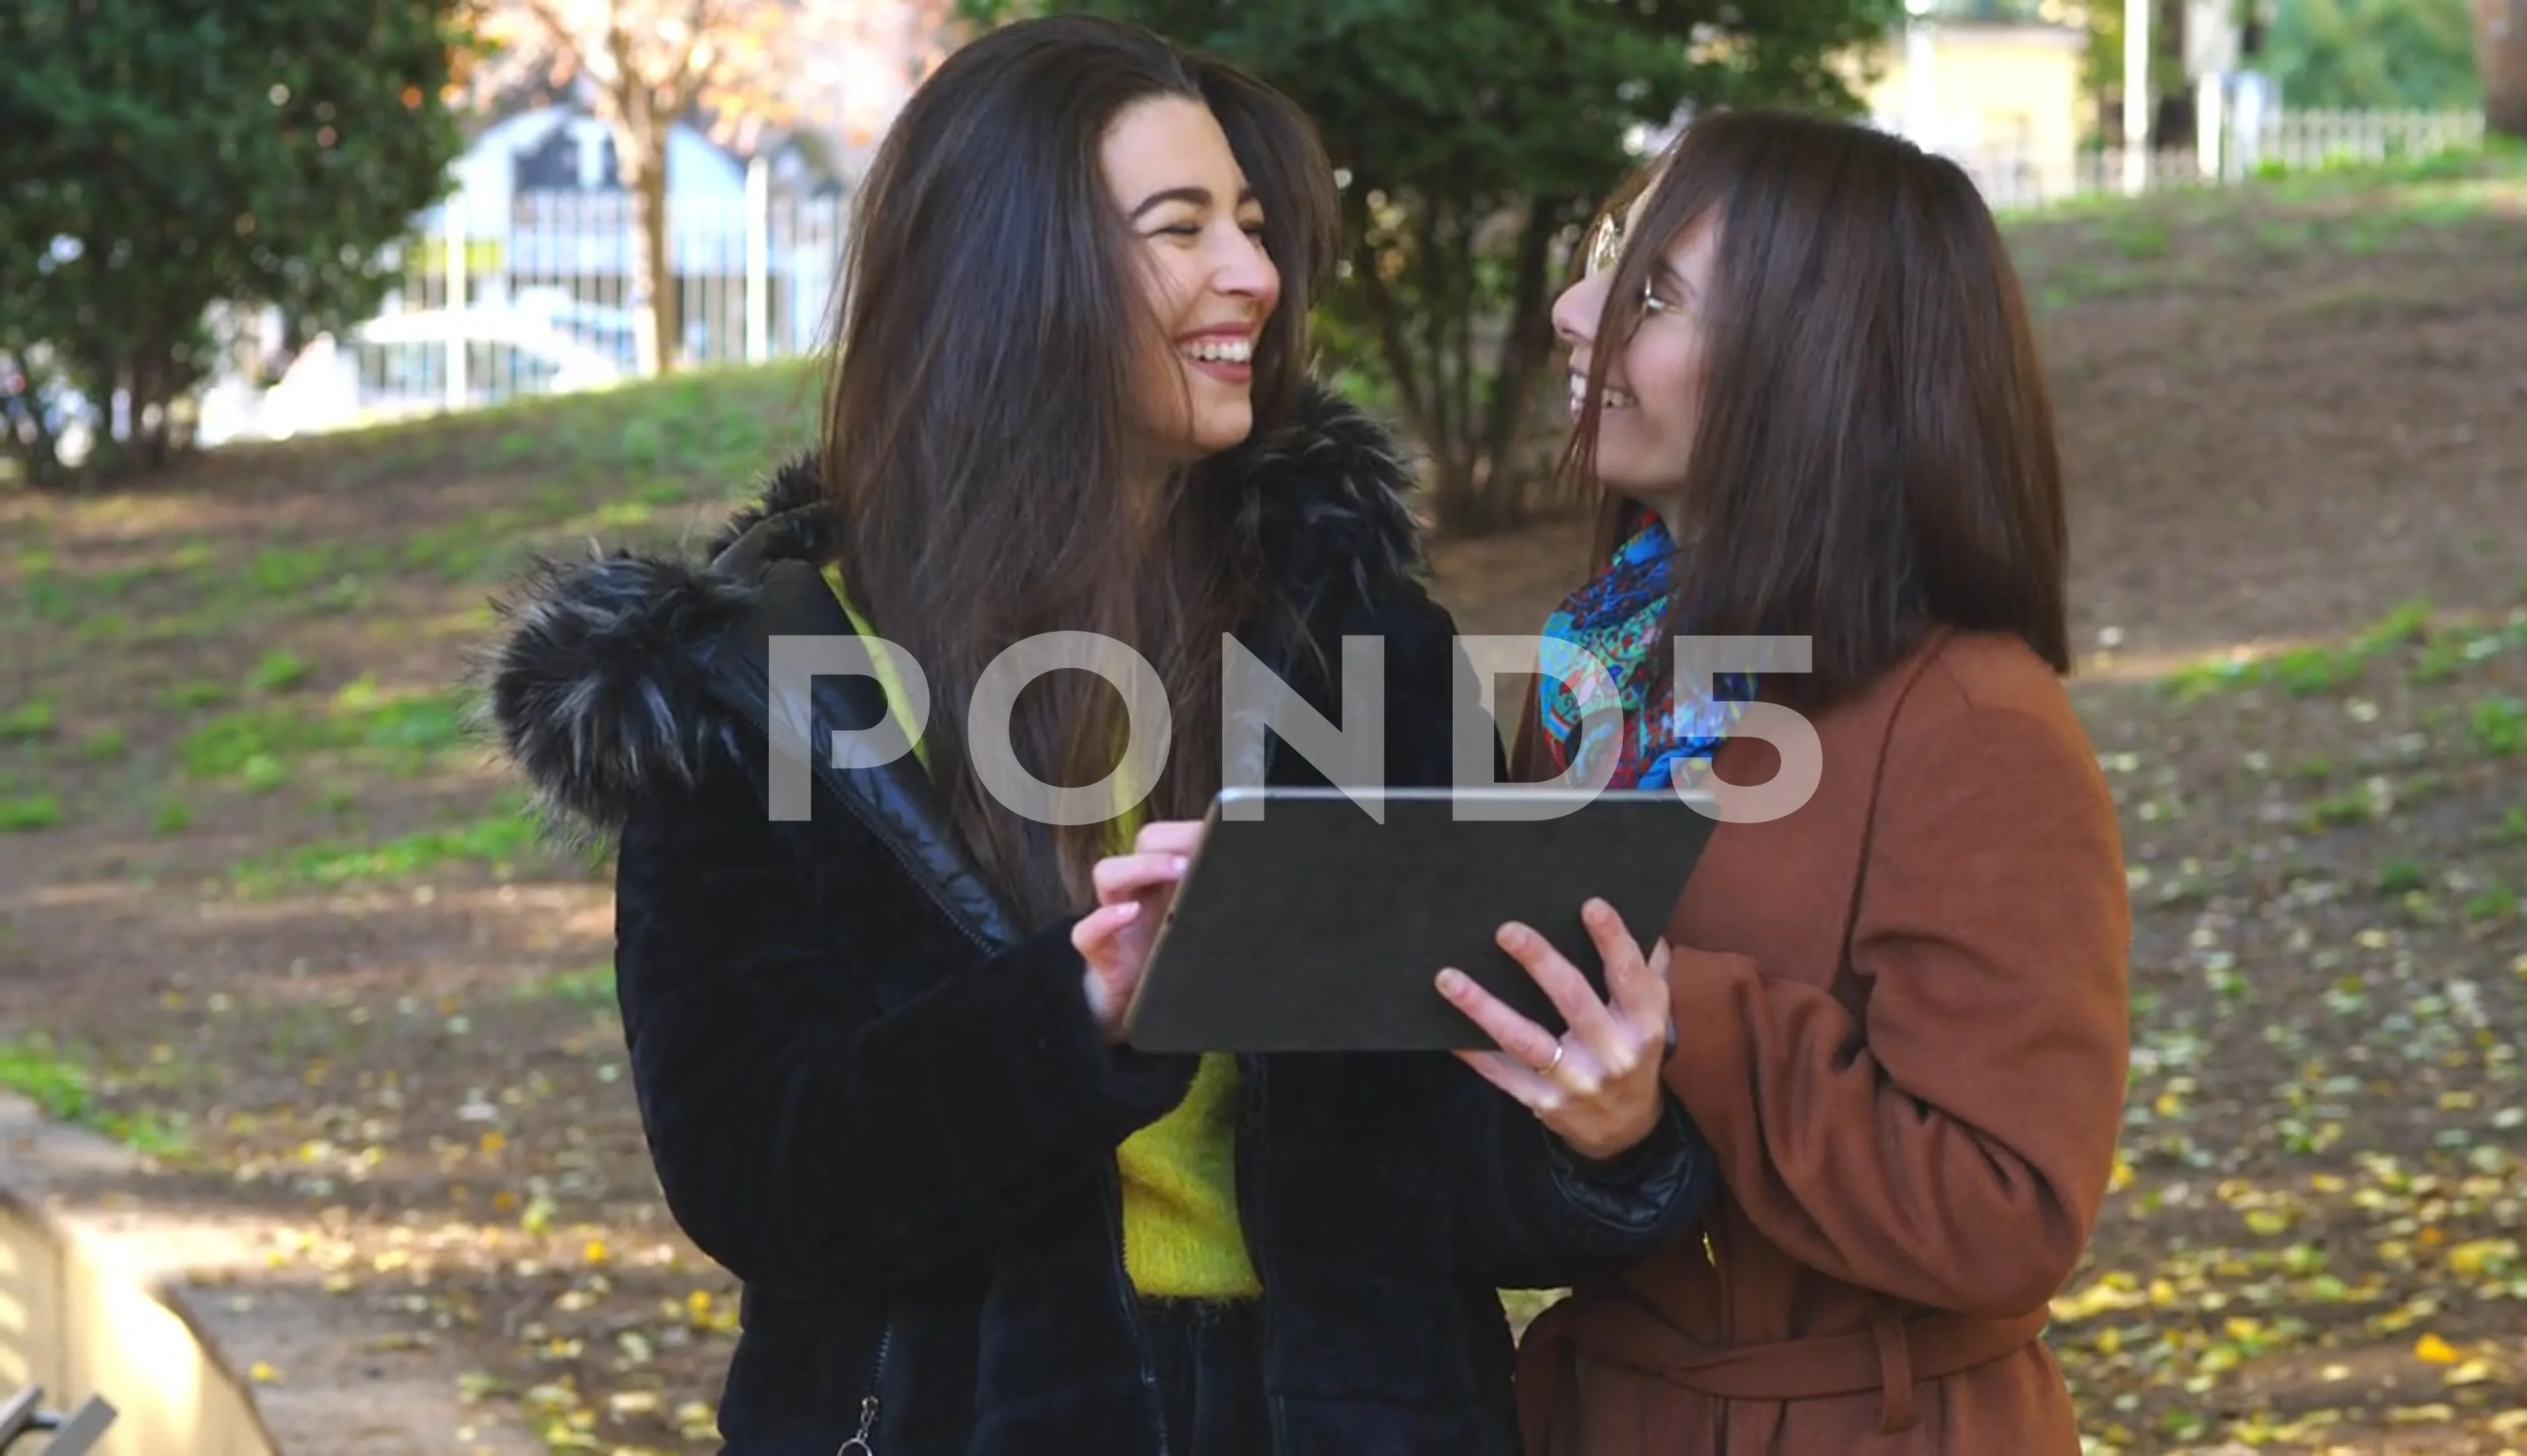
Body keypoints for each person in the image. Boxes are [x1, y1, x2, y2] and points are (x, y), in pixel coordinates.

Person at [479, 16, 1712, 1455]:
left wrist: (1601, 1131)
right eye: (1179, 227)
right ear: (1013, 276)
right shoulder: (762, 686)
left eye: (1250, 225)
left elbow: (1434, 1180)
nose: (1253, 275)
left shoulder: (1368, 651)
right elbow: (761, 1177)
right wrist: (1075, 1018)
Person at [1471, 109, 2134, 1454]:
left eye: (1650, 289)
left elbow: (2008, 1214)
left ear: (1814, 368)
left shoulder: (1974, 722)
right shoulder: (1601, 666)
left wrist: (1680, 1017)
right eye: (1607, 257)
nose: (1572, 306)